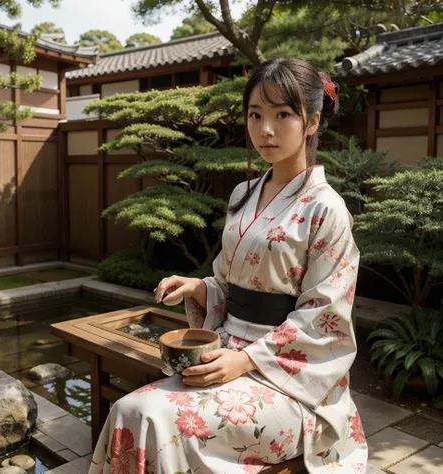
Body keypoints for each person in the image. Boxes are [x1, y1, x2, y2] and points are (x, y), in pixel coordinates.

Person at [89, 57, 368, 474]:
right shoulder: (244, 192)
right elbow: (229, 281)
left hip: (291, 382)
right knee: (133, 412)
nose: (265, 129)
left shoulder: (326, 209)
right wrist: (201, 288)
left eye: (282, 115)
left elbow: (323, 318)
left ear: (311, 122)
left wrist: (248, 360)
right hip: (225, 352)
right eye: (255, 114)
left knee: (152, 417)